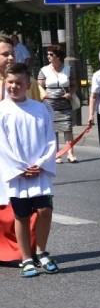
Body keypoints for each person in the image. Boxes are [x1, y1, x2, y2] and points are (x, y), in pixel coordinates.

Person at [0, 63, 57, 277]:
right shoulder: (2, 110)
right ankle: (26, 258)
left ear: (28, 84)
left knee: (45, 210)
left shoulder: (39, 109)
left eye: (19, 83)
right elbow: (2, 145)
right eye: (10, 82)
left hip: (39, 172)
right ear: (5, 82)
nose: (14, 86)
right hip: (18, 174)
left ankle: (41, 251)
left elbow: (50, 139)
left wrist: (41, 164)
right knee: (21, 216)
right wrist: (19, 168)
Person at [0, 40, 39, 263]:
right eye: (5, 55)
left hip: (24, 154)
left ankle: (26, 250)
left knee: (28, 203)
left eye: (12, 53)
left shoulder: (25, 81)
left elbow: (38, 111)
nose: (11, 58)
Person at [37, 46, 78, 164]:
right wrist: (43, 92)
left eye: (51, 54)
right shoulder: (44, 70)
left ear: (58, 56)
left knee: (67, 128)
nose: (48, 56)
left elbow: (74, 84)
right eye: (48, 54)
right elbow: (39, 85)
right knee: (53, 129)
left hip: (65, 104)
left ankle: (70, 154)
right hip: (49, 105)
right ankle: (56, 154)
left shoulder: (68, 69)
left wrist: (71, 93)